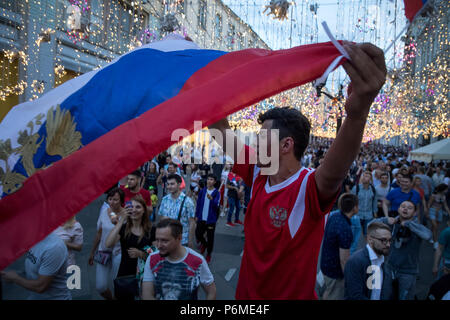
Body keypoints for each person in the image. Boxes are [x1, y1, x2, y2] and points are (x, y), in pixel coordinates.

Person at [209, 42, 387, 299]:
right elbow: (218, 128)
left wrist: (357, 114)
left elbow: (335, 169)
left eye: (261, 138)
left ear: (286, 145)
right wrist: (201, 73)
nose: (253, 143)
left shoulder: (307, 188)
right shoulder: (259, 172)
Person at [141, 219, 216, 300]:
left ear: (179, 238)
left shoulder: (197, 260)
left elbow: (211, 291)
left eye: (164, 241)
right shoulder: (152, 258)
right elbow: (147, 294)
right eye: (157, 240)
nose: (158, 245)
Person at [374, 200, 432, 300]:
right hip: (390, 267)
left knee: (405, 297)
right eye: (403, 206)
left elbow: (428, 235)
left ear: (414, 213)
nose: (405, 209)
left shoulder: (416, 227)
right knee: (385, 296)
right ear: (398, 209)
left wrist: (409, 225)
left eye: (409, 208)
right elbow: (370, 225)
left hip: (408, 271)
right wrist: (385, 220)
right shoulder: (392, 223)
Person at [105, 195, 154, 300]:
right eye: (131, 207)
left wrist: (141, 254)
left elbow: (158, 254)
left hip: (145, 275)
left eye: (138, 207)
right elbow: (108, 244)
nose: (134, 210)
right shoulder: (124, 229)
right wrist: (121, 220)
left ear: (144, 210)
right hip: (126, 273)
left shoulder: (151, 230)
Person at [1, 232, 71, 300]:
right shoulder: (34, 237)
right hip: (35, 297)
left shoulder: (54, 247)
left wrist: (15, 278)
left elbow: (40, 287)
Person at [88, 187, 125, 300]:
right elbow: (99, 233)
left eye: (115, 199)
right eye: (110, 199)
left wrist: (118, 223)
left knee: (116, 284)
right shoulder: (104, 212)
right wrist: (92, 252)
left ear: (121, 201)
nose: (112, 202)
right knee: (101, 286)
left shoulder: (126, 216)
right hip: (103, 251)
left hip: (118, 253)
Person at [320, 193, 358, 300]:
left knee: (329, 290)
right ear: (354, 207)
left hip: (326, 264)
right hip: (335, 270)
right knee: (335, 294)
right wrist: (348, 276)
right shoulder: (345, 228)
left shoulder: (334, 217)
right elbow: (344, 259)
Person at [344, 221, 393, 300]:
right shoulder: (355, 261)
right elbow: (355, 295)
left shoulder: (383, 260)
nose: (388, 245)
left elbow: (378, 292)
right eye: (383, 240)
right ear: (370, 240)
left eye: (390, 240)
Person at [158, 174, 196, 248]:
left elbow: (192, 223)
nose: (169, 187)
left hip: (182, 240)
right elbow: (161, 218)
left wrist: (190, 241)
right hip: (167, 239)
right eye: (168, 184)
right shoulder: (164, 199)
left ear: (179, 184)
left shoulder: (188, 201)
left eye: (172, 184)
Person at [195, 174, 221, 263]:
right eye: (208, 179)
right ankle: (204, 244)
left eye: (211, 179)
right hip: (201, 217)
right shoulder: (202, 191)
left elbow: (216, 206)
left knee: (210, 238)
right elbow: (198, 204)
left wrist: (211, 199)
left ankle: (209, 254)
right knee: (198, 234)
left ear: (214, 182)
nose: (209, 181)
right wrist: (196, 215)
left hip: (211, 220)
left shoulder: (217, 193)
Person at [351, 170, 378, 247]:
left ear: (370, 179)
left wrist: (375, 213)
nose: (364, 177)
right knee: (356, 235)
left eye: (367, 176)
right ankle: (354, 251)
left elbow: (374, 202)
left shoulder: (373, 189)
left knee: (368, 235)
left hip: (369, 215)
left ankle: (368, 250)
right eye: (363, 176)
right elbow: (352, 201)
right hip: (357, 215)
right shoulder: (356, 188)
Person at [428, 184, 450, 249]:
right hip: (433, 210)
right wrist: (427, 212)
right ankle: (435, 242)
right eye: (446, 189)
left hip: (439, 212)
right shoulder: (434, 195)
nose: (447, 190)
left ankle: (430, 235)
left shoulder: (444, 196)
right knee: (435, 226)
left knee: (435, 226)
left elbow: (445, 205)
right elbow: (429, 203)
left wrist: (449, 212)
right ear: (443, 189)